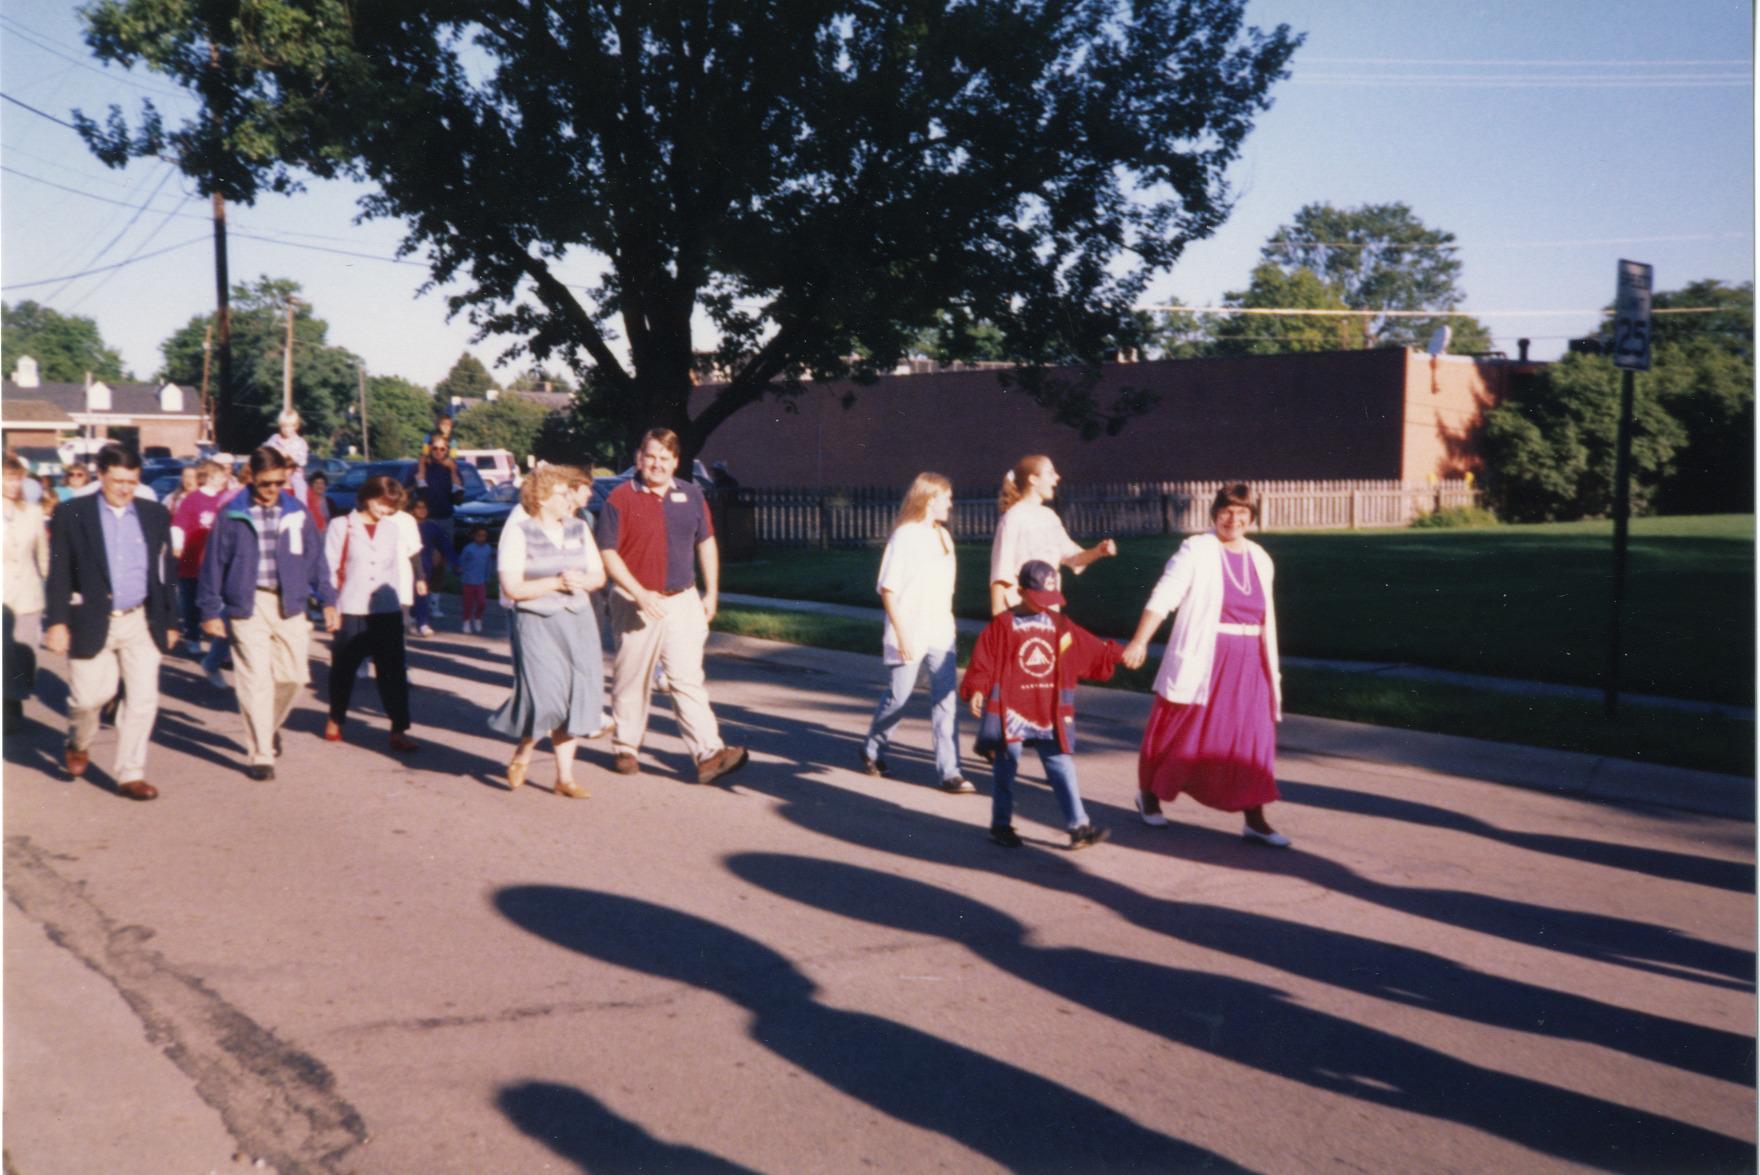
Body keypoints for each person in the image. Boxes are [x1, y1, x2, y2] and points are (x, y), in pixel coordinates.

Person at [1120, 482, 1288, 847]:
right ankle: (1148, 794)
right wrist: (1139, 641)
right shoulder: (1196, 549)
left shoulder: (1260, 557)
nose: (1234, 519)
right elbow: (1165, 595)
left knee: (1252, 736)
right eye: (1226, 512)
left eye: (1242, 513)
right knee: (1179, 728)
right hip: (1205, 655)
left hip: (1251, 659)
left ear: (1251, 518)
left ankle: (1255, 819)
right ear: (1214, 514)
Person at [596, 429, 748, 785]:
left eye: (665, 458)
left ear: (676, 462)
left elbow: (706, 543)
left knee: (687, 679)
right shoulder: (620, 498)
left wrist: (711, 592)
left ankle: (709, 754)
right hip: (634, 601)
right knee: (633, 677)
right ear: (639, 458)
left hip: (683, 598)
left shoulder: (692, 494)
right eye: (651, 457)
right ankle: (626, 748)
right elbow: (607, 552)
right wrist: (637, 592)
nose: (657, 465)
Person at [42, 445, 178, 800]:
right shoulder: (72, 513)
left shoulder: (154, 514)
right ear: (99, 474)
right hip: (91, 618)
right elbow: (58, 573)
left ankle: (130, 773)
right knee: (88, 699)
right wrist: (57, 621)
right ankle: (78, 740)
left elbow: (165, 573)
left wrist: (172, 618)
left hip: (140, 620)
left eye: (131, 482)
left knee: (144, 699)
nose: (124, 489)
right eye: (117, 480)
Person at [197, 447, 338, 781]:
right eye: (265, 484)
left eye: (278, 482)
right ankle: (261, 752)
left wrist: (329, 600)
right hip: (248, 604)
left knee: (294, 677)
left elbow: (316, 561)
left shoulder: (296, 511)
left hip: (290, 603)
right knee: (255, 680)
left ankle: (268, 725)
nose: (272, 490)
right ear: (252, 478)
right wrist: (209, 610)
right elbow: (213, 564)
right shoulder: (232, 513)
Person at [962, 559, 1120, 849]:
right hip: (1012, 709)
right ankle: (1000, 825)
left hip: (1047, 709)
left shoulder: (1059, 625)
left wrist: (1117, 654)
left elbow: (1090, 648)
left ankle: (1079, 827)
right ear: (1021, 591)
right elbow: (984, 659)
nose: (1043, 605)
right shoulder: (1004, 625)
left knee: (1061, 764)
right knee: (1005, 767)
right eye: (1038, 599)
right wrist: (977, 689)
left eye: (1049, 599)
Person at [489, 465, 606, 797]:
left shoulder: (580, 529)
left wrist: (582, 581)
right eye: (562, 493)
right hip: (536, 622)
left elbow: (598, 576)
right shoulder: (519, 532)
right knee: (546, 699)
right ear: (541, 498)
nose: (569, 497)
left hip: (577, 620)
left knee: (575, 698)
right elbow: (512, 587)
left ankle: (564, 778)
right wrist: (555, 582)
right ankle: (524, 752)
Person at [860, 472, 970, 793]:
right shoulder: (905, 536)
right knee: (898, 697)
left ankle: (950, 772)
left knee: (946, 701)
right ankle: (872, 749)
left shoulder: (944, 537)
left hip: (941, 632)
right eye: (946, 497)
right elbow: (888, 589)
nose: (950, 503)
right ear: (930, 499)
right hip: (909, 630)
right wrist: (904, 635)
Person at [322, 475, 425, 751]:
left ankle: (399, 728)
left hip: (386, 609)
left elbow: (394, 570)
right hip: (352, 607)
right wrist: (330, 605)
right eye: (382, 504)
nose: (386, 511)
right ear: (368, 496)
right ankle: (336, 718)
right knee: (343, 668)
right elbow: (329, 568)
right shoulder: (340, 525)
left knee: (393, 672)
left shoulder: (391, 529)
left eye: (391, 507)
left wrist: (403, 604)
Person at [988, 454, 1117, 615]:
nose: (1057, 478)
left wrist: (1098, 551)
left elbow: (1073, 557)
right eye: (1050, 473)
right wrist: (998, 615)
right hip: (1020, 608)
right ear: (1033, 480)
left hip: (1049, 607)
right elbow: (1001, 570)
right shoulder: (1013, 518)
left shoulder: (1050, 517)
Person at [171, 460, 233, 681]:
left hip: (214, 562)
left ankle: (220, 647)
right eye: (220, 476)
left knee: (219, 604)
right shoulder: (193, 499)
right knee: (190, 603)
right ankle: (192, 635)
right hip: (192, 561)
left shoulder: (224, 499)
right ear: (209, 477)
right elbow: (178, 524)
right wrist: (177, 544)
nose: (224, 480)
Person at [4, 456, 50, 721]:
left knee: (25, 653)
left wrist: (51, 586)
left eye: (17, 478)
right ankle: (8, 703)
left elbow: (43, 554)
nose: (13, 484)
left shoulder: (31, 512)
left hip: (26, 596)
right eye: (8, 478)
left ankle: (16, 694)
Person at [408, 498, 455, 635]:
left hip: (424, 566)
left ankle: (422, 623)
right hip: (407, 565)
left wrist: (455, 562)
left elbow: (445, 545)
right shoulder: (407, 525)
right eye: (418, 507)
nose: (422, 510)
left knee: (421, 595)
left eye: (424, 507)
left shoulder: (432, 527)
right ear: (411, 510)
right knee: (409, 595)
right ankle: (411, 619)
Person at [262, 409, 310, 500]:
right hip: (276, 470)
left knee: (301, 487)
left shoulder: (300, 442)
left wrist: (289, 456)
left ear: (296, 426)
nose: (287, 429)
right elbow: (265, 450)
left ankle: (301, 508)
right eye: (285, 426)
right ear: (280, 426)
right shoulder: (275, 439)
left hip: (295, 474)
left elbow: (302, 461)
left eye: (291, 426)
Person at [415, 434, 462, 522]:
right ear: (430, 448)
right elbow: (420, 494)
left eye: (442, 449)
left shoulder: (452, 469)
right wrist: (421, 468)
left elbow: (458, 499)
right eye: (435, 448)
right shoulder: (421, 467)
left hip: (446, 518)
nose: (438, 451)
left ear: (447, 450)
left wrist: (453, 471)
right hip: (425, 519)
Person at [457, 525, 496, 634]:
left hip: (481, 581)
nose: (481, 538)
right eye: (479, 535)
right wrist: (460, 573)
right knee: (468, 603)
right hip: (468, 580)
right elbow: (462, 563)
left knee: (481, 602)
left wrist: (487, 577)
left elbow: (489, 564)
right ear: (474, 536)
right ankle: (466, 621)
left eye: (484, 536)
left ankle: (478, 618)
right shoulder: (468, 548)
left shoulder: (488, 548)